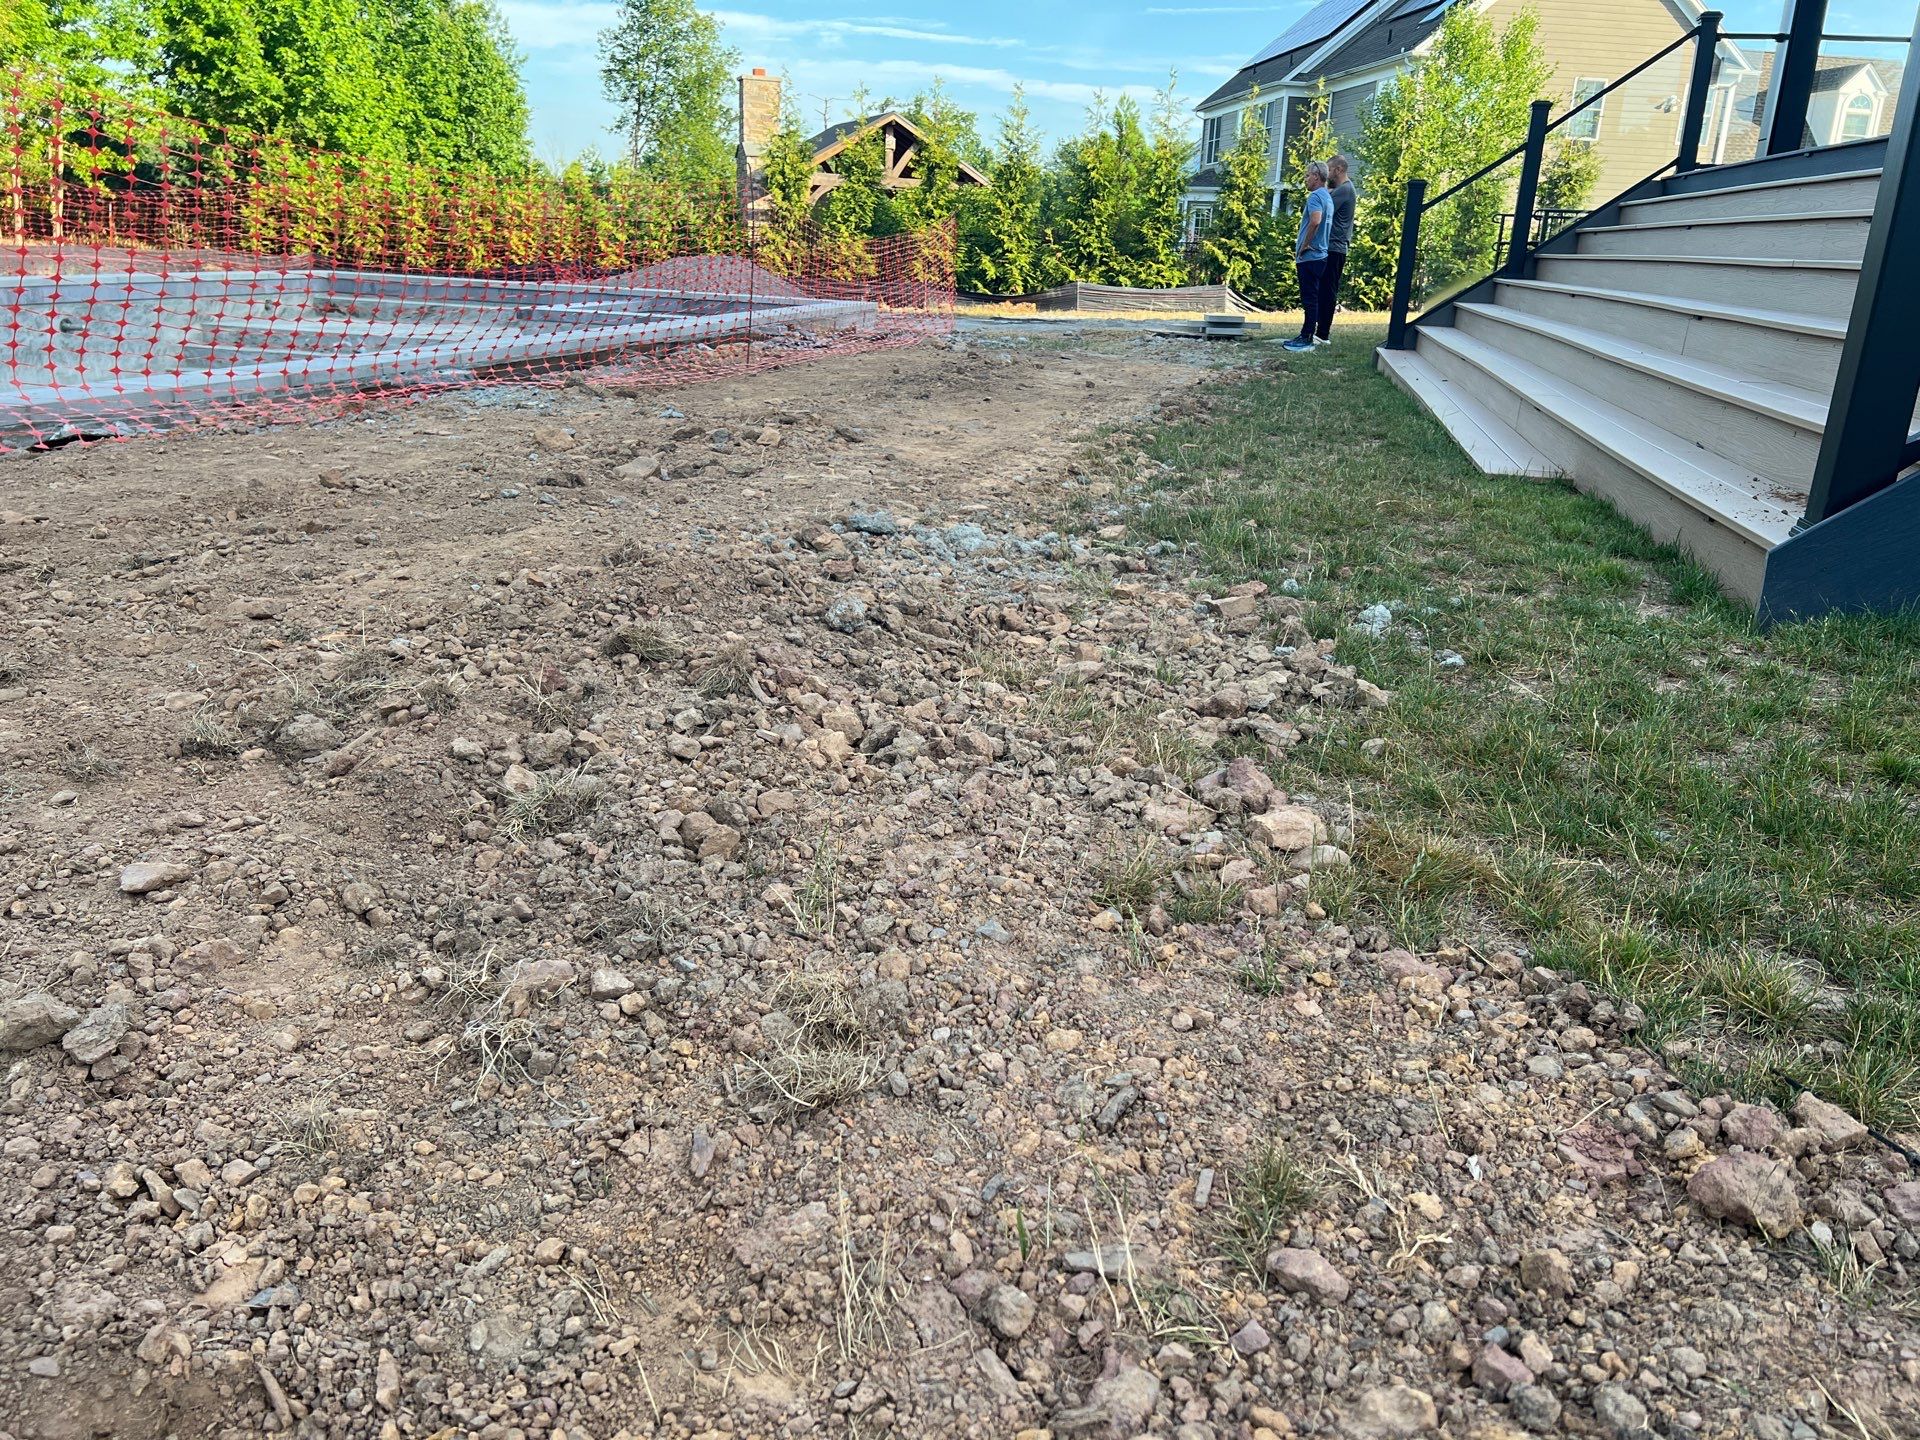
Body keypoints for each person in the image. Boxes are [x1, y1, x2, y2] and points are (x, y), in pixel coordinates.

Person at [1284, 161, 1333, 354]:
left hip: (1310, 256)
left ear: (1316, 176)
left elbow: (1315, 221)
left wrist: (1304, 245)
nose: (1305, 179)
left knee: (1309, 298)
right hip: (1321, 255)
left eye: (1307, 176)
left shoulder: (1315, 196)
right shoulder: (1327, 197)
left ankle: (1306, 336)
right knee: (1314, 297)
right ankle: (1307, 333)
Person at [1315, 154, 1357, 346]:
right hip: (1333, 247)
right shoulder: (1344, 189)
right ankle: (1320, 330)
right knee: (1324, 289)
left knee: (1328, 290)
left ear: (1338, 170)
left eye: (1329, 170)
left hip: (1335, 247)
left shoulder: (1345, 190)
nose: (1327, 175)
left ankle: (1323, 334)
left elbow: (1322, 204)